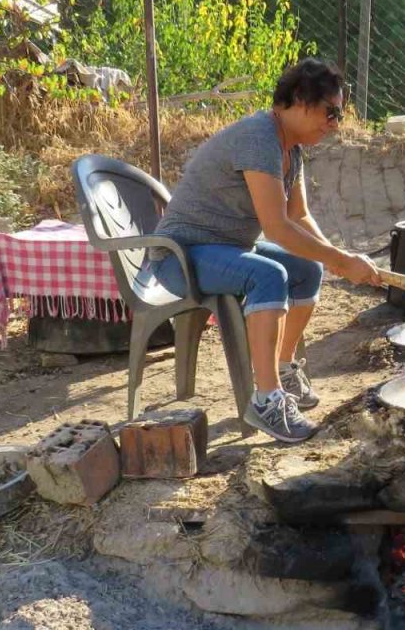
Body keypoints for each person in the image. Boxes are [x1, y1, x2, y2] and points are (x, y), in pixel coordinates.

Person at [140, 58, 381, 443]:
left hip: (225, 249)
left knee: (308, 269)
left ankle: (283, 367)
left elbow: (299, 215)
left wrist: (336, 258)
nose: (336, 123)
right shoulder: (259, 137)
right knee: (269, 274)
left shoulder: (292, 149)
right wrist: (341, 260)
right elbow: (276, 227)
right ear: (300, 100)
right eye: (330, 112)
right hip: (180, 255)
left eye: (340, 114)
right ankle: (266, 400)